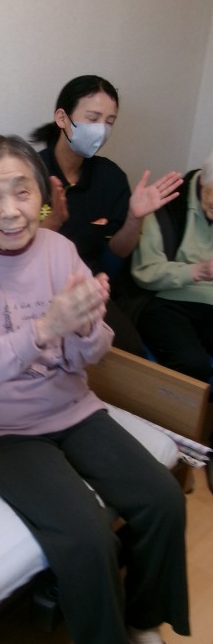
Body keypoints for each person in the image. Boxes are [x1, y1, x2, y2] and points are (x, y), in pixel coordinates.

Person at [0, 135, 198, 644]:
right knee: (86, 533)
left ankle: (143, 632)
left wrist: (86, 325)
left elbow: (92, 353)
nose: (10, 210)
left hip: (70, 406)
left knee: (161, 499)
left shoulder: (58, 250)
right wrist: (45, 328)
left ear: (42, 199)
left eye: (22, 191)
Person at [29, 74, 183, 356]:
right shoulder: (30, 172)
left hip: (89, 288)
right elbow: (11, 252)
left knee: (130, 354)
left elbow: (117, 252)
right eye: (92, 118)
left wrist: (135, 218)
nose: (101, 129)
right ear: (62, 118)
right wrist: (50, 225)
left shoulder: (110, 178)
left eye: (109, 121)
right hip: (34, 290)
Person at [131, 151, 213, 489]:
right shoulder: (168, 202)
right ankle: (181, 452)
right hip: (166, 298)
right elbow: (145, 273)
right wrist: (197, 271)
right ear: (203, 183)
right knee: (192, 362)